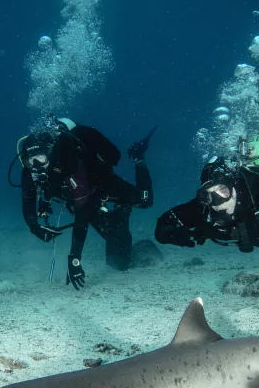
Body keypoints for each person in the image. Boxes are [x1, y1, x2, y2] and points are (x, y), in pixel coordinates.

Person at [16, 118, 155, 289]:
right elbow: (28, 198)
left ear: (50, 154)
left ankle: (138, 156)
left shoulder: (68, 163)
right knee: (118, 261)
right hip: (80, 197)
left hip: (99, 182)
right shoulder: (30, 171)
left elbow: (82, 214)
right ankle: (116, 219)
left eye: (41, 159)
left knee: (145, 200)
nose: (36, 166)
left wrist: (74, 258)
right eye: (32, 161)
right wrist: (34, 227)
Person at [156, 136, 259, 252]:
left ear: (236, 185)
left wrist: (224, 231)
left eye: (223, 190)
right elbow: (170, 220)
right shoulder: (210, 203)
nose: (217, 203)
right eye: (208, 194)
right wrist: (166, 231)